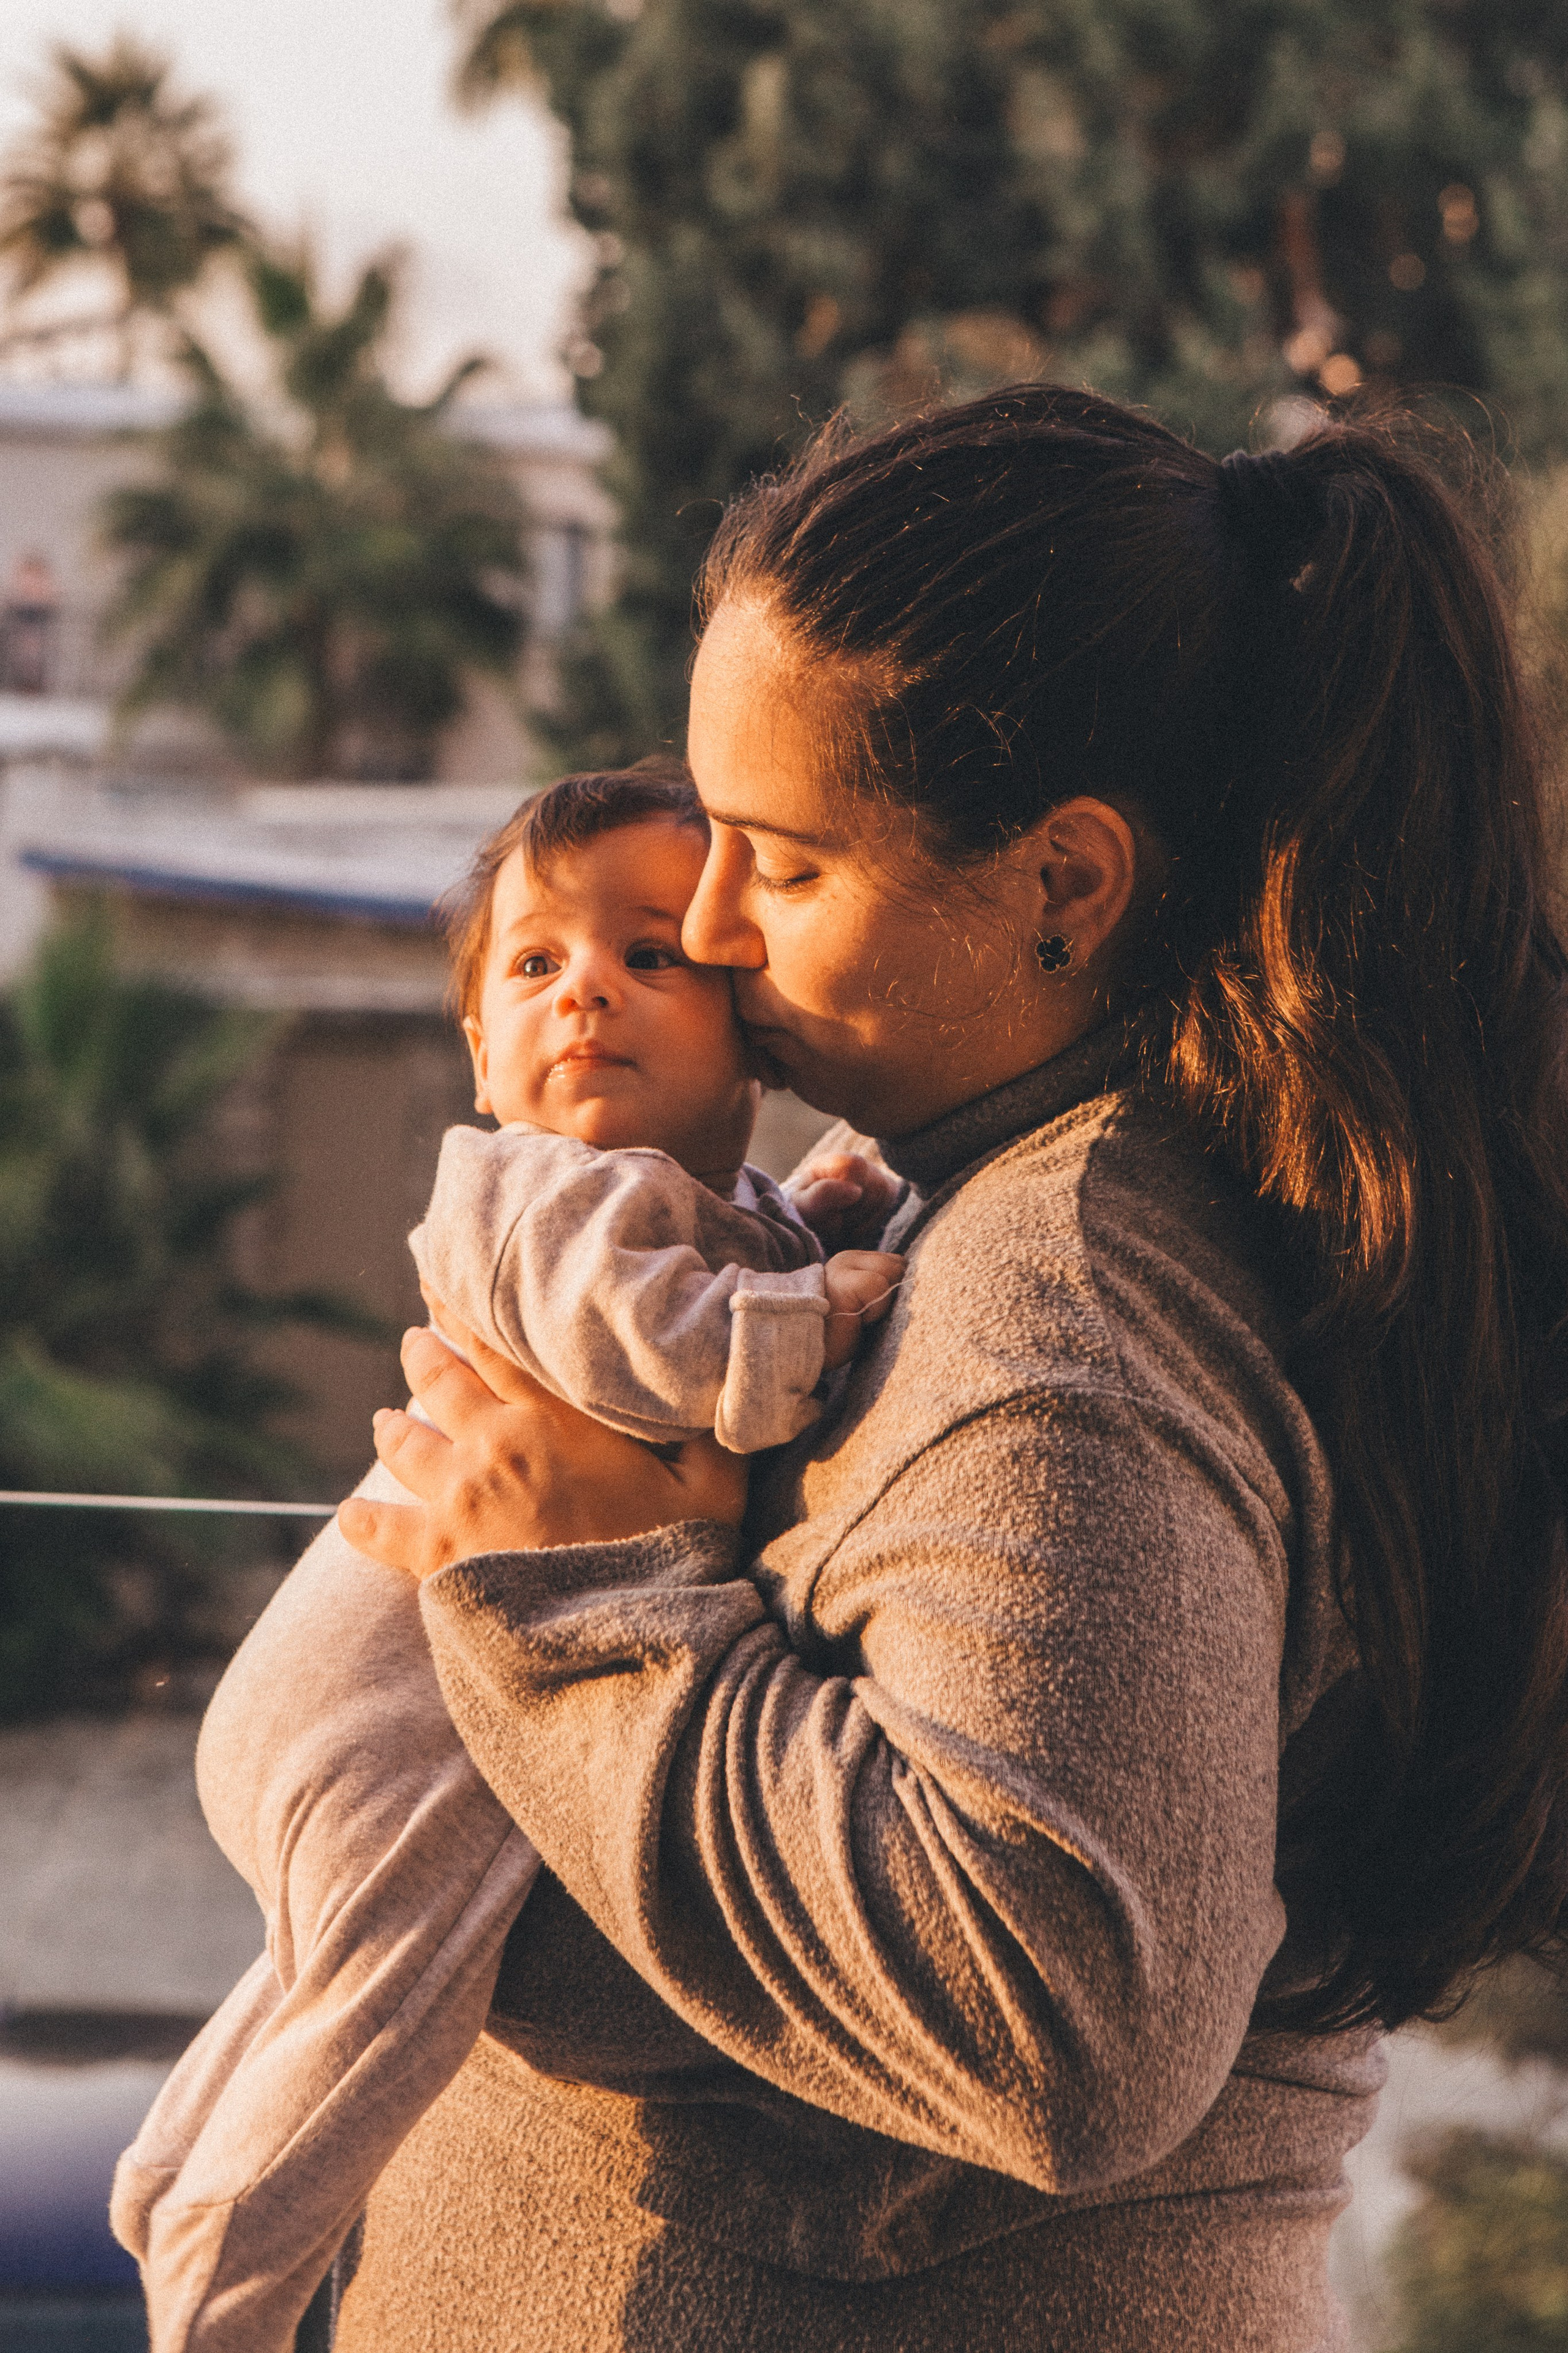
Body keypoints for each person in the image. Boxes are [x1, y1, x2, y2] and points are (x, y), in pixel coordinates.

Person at [296, 388, 1568, 2349]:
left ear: (1065, 883)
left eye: (783, 864)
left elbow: (1066, 2016)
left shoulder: (1070, 1297)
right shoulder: (999, 1192)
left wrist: (578, 1600)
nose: (706, 925)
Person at [110, 763, 902, 2353]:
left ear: (754, 1030)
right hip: (403, 1704)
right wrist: (810, 1319)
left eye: (648, 954)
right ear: (482, 1050)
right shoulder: (529, 1194)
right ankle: (219, 2298)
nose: (584, 990)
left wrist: (828, 1202)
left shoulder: (692, 1202)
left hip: (371, 1683)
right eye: (535, 964)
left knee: (315, 1985)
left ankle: (166, 2176)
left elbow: (733, 1238)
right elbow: (655, 1347)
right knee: (386, 2017)